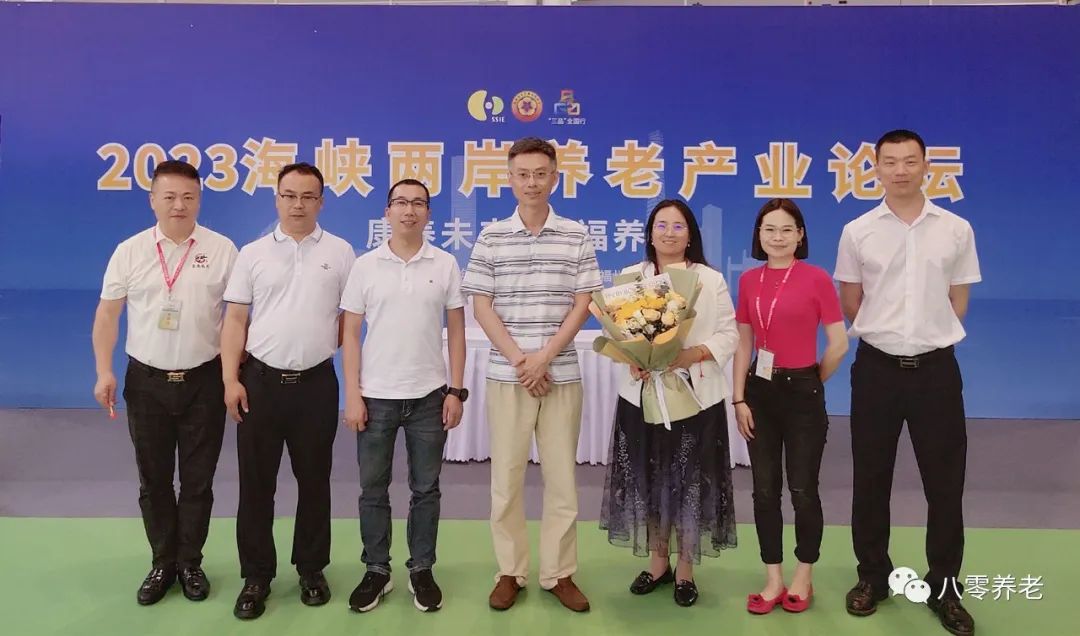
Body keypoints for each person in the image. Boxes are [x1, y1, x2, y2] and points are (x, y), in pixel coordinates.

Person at [836, 129, 981, 636]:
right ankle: (873, 577)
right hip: (876, 370)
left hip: (936, 373)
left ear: (926, 167)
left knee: (945, 485)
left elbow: (958, 300)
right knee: (870, 480)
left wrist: (925, 336)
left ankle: (945, 588)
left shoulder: (956, 229)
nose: (900, 170)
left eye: (910, 161)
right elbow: (851, 301)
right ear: (876, 168)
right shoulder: (858, 231)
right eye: (890, 161)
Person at [461, 137, 601, 612]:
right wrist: (524, 361)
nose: (532, 182)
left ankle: (559, 573)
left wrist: (546, 357)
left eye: (541, 174)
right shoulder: (491, 236)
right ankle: (510, 571)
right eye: (523, 174)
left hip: (561, 374)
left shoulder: (576, 235)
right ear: (510, 178)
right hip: (509, 376)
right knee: (506, 479)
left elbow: (583, 303)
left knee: (562, 481)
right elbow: (481, 306)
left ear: (555, 178)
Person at [92, 160, 237, 605]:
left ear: (200, 200)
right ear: (152, 200)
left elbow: (238, 318)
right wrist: (103, 370)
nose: (179, 205)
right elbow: (108, 315)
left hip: (203, 382)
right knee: (153, 481)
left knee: (197, 482)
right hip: (147, 382)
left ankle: (190, 563)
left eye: (188, 197)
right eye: (169, 196)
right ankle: (162, 563)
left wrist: (232, 376)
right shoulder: (130, 251)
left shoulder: (222, 249)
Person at [220, 162, 355, 620]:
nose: (298, 205)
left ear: (321, 202)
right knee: (256, 486)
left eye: (308, 196)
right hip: (259, 384)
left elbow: (349, 318)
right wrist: (230, 380)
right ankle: (256, 576)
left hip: (316, 385)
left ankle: (311, 570)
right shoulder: (253, 253)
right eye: (289, 195)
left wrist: (316, 347)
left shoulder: (341, 252)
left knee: (315, 482)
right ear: (277, 199)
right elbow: (235, 320)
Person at [599, 198, 739, 607]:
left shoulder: (709, 280)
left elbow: (729, 334)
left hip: (694, 397)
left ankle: (685, 571)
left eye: (678, 226)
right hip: (642, 397)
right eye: (661, 225)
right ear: (650, 233)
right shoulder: (632, 278)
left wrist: (691, 355)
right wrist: (634, 359)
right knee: (648, 480)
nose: (669, 233)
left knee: (689, 483)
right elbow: (617, 333)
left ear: (690, 234)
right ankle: (658, 562)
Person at [339, 178, 467, 613]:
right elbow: (350, 334)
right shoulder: (365, 266)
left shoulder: (445, 264)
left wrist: (456, 390)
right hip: (376, 396)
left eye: (418, 203)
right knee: (372, 489)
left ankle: (422, 569)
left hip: (430, 396)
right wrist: (353, 394)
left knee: (426, 489)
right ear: (387, 211)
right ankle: (377, 570)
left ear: (428, 213)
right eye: (400, 203)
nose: (409, 210)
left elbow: (456, 332)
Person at [731, 198, 848, 614]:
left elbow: (839, 343)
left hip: (802, 392)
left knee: (802, 489)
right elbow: (743, 342)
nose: (777, 237)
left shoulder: (817, 278)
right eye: (769, 229)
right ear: (758, 235)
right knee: (764, 490)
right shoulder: (749, 281)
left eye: (786, 229)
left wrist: (813, 381)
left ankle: (803, 574)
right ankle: (773, 578)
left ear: (800, 235)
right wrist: (738, 397)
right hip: (758, 393)